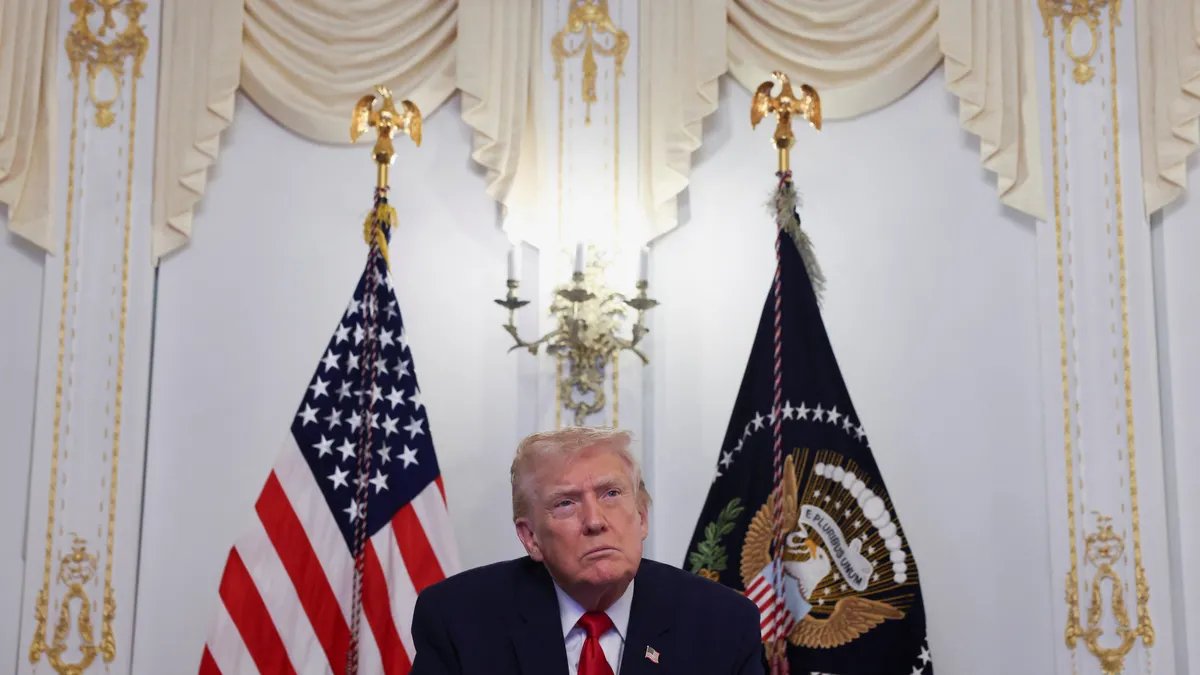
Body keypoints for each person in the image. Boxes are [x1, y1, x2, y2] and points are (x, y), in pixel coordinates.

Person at [410, 426, 765, 674]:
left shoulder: (723, 624)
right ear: (530, 536)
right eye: (565, 503)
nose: (595, 521)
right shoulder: (457, 620)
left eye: (611, 493)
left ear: (641, 517)